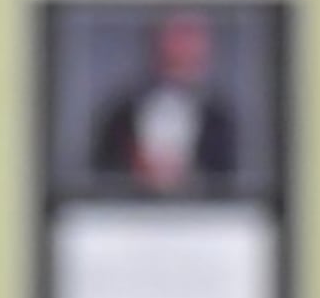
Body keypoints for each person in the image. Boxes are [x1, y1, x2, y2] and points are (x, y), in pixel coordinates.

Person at [85, 10, 238, 193]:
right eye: (177, 36)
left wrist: (188, 177)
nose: (184, 48)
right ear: (155, 41)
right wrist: (132, 171)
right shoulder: (120, 112)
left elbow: (226, 181)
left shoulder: (219, 118)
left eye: (191, 37)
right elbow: (100, 173)